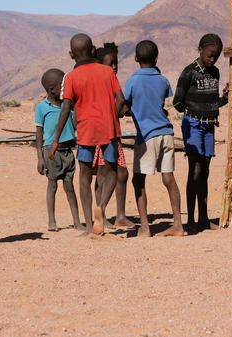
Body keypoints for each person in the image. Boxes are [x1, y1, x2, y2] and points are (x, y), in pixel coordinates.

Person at [49, 33, 125, 236]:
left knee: (84, 176)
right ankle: (101, 206)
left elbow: (66, 108)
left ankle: (90, 226)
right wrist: (113, 115)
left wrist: (56, 139)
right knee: (112, 171)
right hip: (109, 129)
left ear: (71, 54)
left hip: (85, 131)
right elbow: (121, 98)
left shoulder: (71, 77)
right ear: (93, 50)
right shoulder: (108, 72)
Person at [125, 40, 184, 237]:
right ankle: (178, 224)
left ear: (135, 58)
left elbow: (126, 104)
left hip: (147, 135)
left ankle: (144, 227)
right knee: (169, 179)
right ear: (156, 58)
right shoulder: (162, 80)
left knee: (138, 180)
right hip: (166, 134)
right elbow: (161, 103)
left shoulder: (133, 81)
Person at [173, 34, 229, 233]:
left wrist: (224, 98)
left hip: (209, 127)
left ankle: (203, 218)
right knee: (194, 171)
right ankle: (190, 219)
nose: (212, 60)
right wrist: (194, 111)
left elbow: (213, 102)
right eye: (210, 55)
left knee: (204, 171)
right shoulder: (189, 73)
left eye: (216, 57)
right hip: (193, 125)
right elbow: (177, 102)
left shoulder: (215, 73)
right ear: (200, 49)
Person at [34, 68, 83, 232]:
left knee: (70, 187)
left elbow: (74, 126)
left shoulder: (67, 105)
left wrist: (75, 108)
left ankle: (76, 221)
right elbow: (39, 133)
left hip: (67, 151)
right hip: (51, 152)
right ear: (51, 90)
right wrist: (40, 158)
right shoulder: (42, 107)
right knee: (52, 185)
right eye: (61, 86)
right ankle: (52, 221)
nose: (65, 89)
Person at [92, 43, 134, 229]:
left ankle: (120, 215)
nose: (115, 67)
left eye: (116, 63)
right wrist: (117, 112)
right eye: (111, 64)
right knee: (104, 174)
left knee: (121, 173)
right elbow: (120, 105)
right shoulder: (102, 83)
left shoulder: (112, 82)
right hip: (102, 134)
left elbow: (123, 106)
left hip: (113, 135)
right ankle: (102, 213)